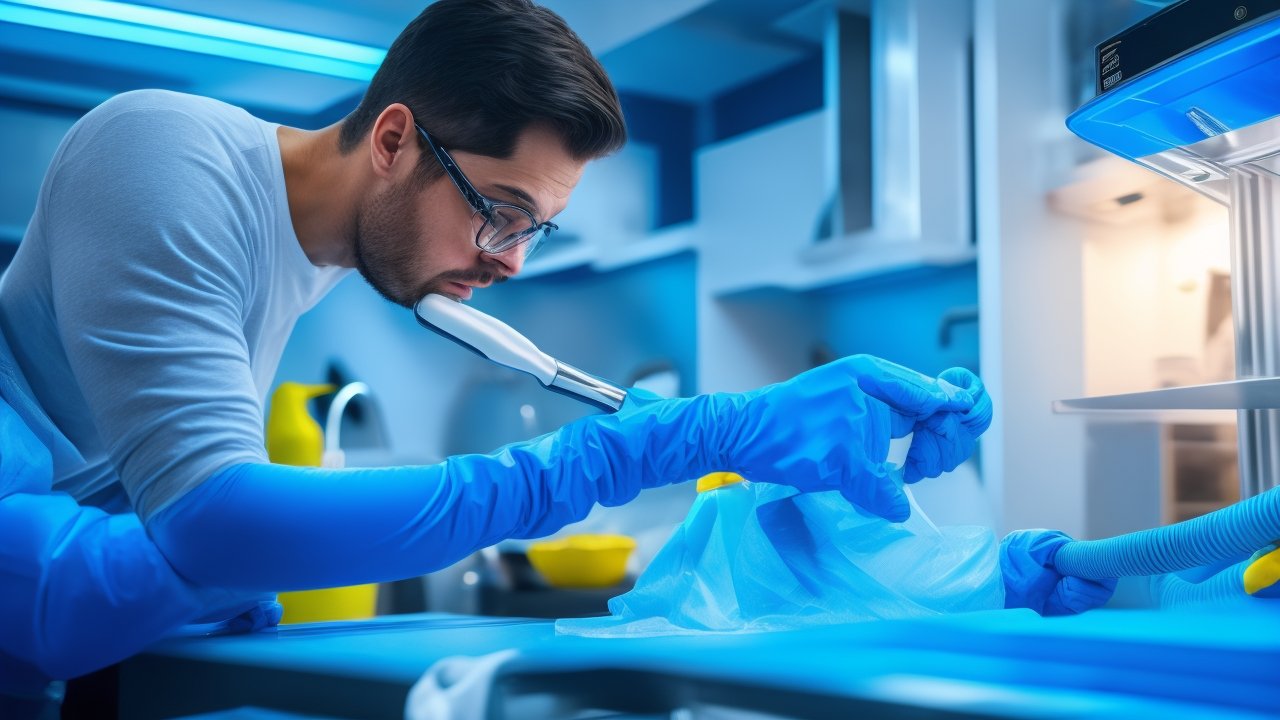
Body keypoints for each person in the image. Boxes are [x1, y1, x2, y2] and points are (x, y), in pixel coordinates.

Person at [0, 0, 1079, 709]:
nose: (509, 262)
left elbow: (200, 540)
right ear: (391, 140)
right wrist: (613, 459)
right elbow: (214, 520)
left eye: (532, 229)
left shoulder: (322, 252)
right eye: (498, 214)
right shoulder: (162, 154)